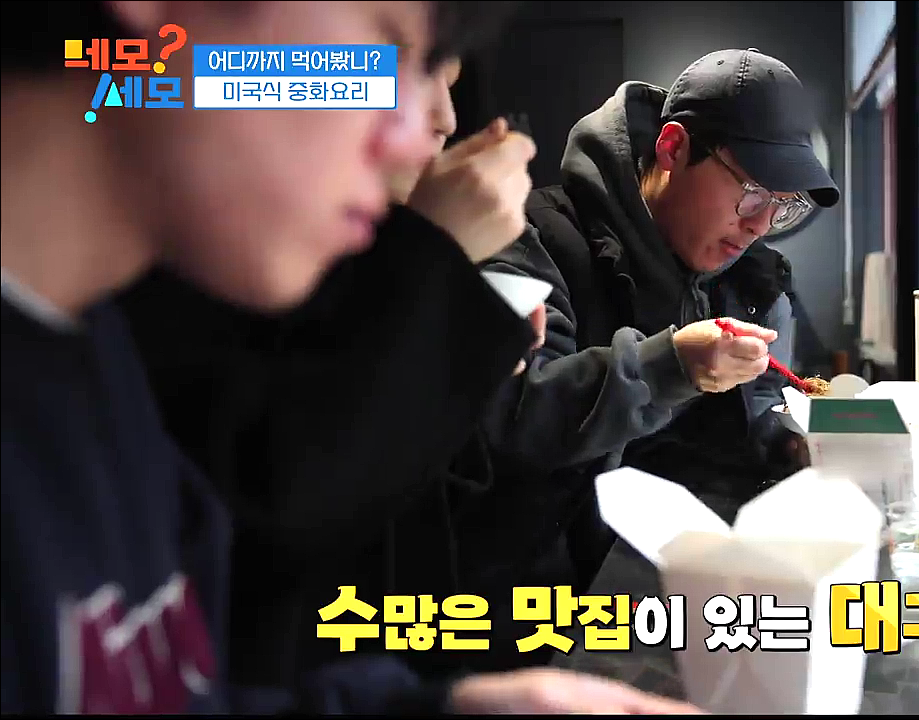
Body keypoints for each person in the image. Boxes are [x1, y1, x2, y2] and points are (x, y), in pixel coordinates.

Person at [0, 1, 696, 714]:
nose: (425, 131)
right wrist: (428, 269)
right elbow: (283, 505)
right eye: (391, 53)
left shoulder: (90, 359)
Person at [471, 48, 840, 597]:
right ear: (672, 148)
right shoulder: (533, 240)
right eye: (752, 193)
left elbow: (762, 409)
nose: (761, 225)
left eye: (783, 205)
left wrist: (794, 446)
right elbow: (514, 416)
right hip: (559, 606)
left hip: (712, 583)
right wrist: (669, 367)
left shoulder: (754, 280)